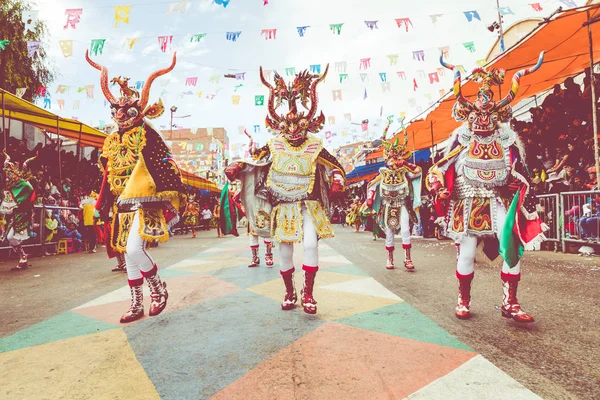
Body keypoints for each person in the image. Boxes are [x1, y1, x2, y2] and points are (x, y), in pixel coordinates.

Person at [428, 53, 547, 323]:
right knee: (467, 252)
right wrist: (438, 188)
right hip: (466, 202)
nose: (483, 116)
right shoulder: (462, 137)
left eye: (489, 110)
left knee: (512, 246)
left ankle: (511, 302)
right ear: (469, 114)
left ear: (497, 114)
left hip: (497, 201)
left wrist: (520, 184)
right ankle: (463, 300)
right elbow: (441, 167)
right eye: (478, 110)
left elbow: (520, 170)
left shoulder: (506, 139)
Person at [225, 65, 345, 314]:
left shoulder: (315, 145)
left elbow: (336, 166)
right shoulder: (274, 144)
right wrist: (237, 166)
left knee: (311, 245)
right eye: (287, 126)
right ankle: (290, 292)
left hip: (309, 204)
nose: (292, 130)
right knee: (285, 251)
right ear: (279, 125)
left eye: (298, 124)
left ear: (308, 123)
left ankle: (308, 294)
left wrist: (336, 178)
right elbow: (256, 160)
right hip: (283, 205)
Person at [86, 50, 185, 323]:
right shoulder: (111, 141)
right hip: (122, 206)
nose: (121, 115)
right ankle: (135, 305)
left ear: (140, 111)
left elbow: (165, 164)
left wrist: (165, 196)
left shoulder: (148, 135)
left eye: (128, 110)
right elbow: (108, 175)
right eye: (116, 110)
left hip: (145, 202)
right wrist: (101, 204)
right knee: (127, 255)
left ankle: (158, 288)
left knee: (133, 249)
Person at [366, 120, 422, 270]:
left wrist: (405, 164)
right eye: (390, 159)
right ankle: (389, 259)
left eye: (396, 158)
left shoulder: (404, 171)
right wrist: (370, 198)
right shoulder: (382, 173)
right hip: (388, 205)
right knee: (389, 231)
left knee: (405, 229)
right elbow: (372, 184)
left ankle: (407, 258)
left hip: (402, 203)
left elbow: (418, 171)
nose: (393, 162)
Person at [0, 152, 36, 269]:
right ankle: (23, 256)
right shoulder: (9, 186)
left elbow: (30, 191)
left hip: (21, 215)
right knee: (9, 238)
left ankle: (23, 256)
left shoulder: (24, 185)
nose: (8, 176)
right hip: (11, 216)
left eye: (10, 173)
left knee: (11, 237)